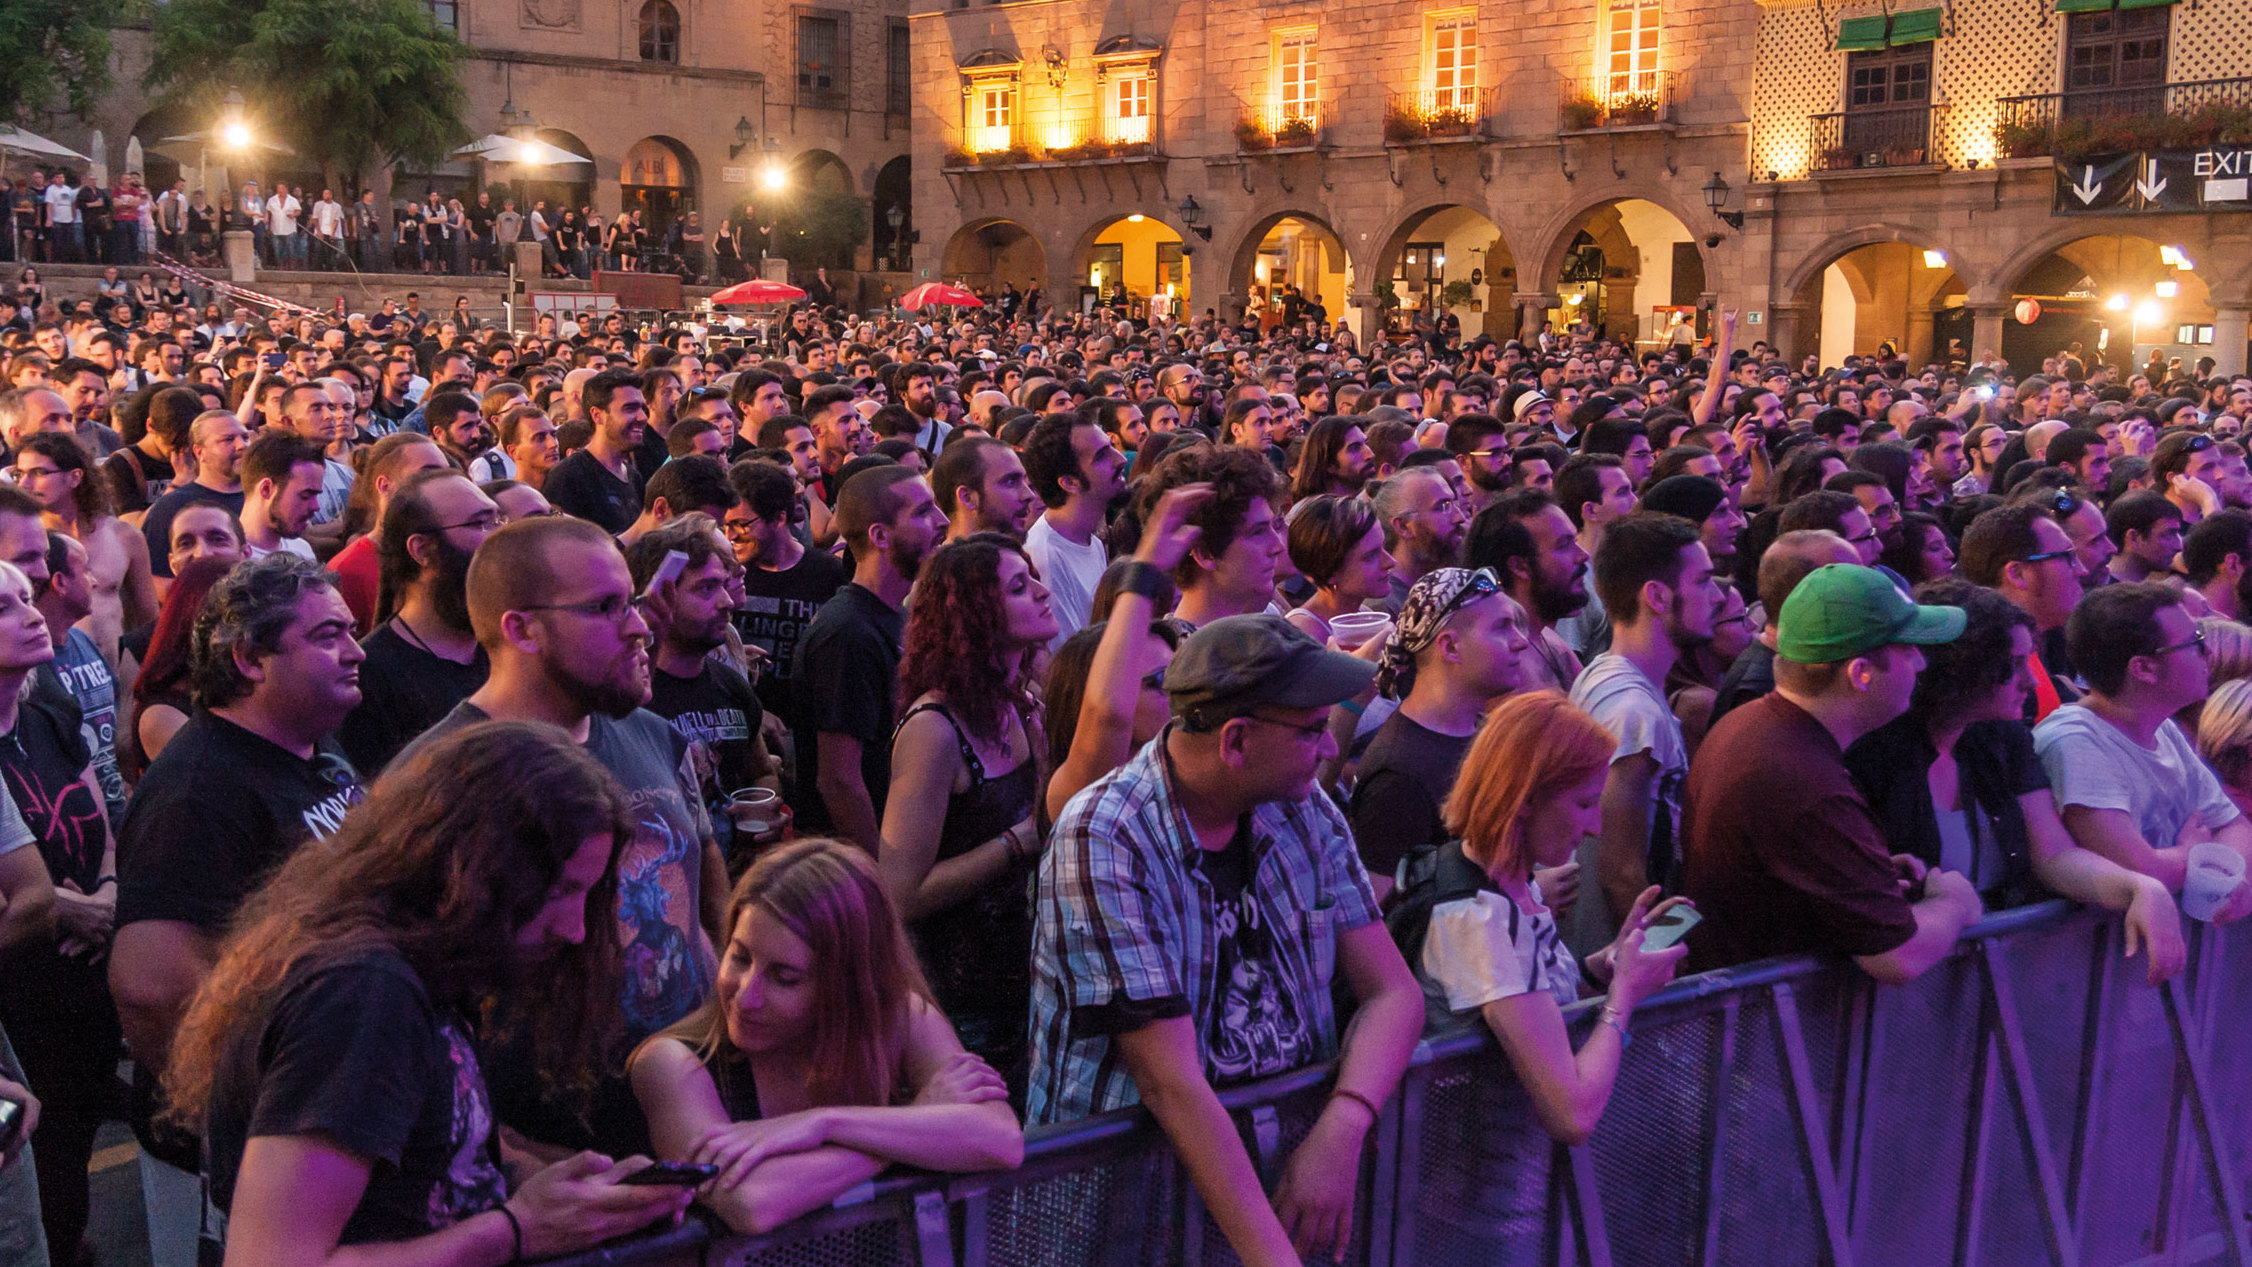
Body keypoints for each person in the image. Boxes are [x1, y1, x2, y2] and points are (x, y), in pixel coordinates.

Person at [162, 722, 701, 1261]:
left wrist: (559, 1193)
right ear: (472, 866)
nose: (576, 929)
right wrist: (517, 1231)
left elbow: (428, 1168)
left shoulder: (420, 968)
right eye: (560, 890)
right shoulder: (361, 996)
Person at [1029, 614, 1424, 1266]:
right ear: (1235, 741)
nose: (1330, 749)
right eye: (1311, 731)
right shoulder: (1105, 833)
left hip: (1274, 1178)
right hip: (1129, 1209)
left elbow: (1393, 993)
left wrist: (1344, 1124)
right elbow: (1170, 1082)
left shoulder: (1303, 805)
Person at [404, 514, 726, 1154]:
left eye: (631, 601)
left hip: (693, 1095)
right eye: (607, 607)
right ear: (522, 629)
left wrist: (727, 1027)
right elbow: (407, 996)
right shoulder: (439, 780)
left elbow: (694, 896)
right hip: (557, 1142)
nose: (639, 624)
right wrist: (510, 1157)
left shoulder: (649, 731)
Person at [628, 840, 1024, 1235]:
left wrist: (824, 1123)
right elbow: (753, 1202)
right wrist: (908, 1123)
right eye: (741, 957)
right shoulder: (669, 1063)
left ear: (847, 986)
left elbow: (1001, 1140)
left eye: (785, 977)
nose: (747, 997)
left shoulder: (901, 1017)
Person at [1383, 691, 1687, 1146]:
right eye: (1584, 804)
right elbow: (1571, 1112)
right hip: (1473, 1195)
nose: (1594, 828)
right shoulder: (1476, 919)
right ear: (1523, 798)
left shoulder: (1506, 882)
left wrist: (1607, 964)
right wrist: (1624, 995)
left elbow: (1536, 1003)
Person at [1844, 580, 2186, 982]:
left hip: (1990, 976)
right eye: (2015, 664)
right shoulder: (1872, 755)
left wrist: (2138, 888)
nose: (2033, 682)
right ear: (1965, 670)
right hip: (1904, 987)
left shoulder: (2003, 738)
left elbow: (2054, 855)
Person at [1681, 565, 1984, 979]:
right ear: (1860, 673)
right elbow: (1898, 956)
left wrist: (1864, 878)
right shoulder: (1800, 778)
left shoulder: (1753, 725)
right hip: (1765, 1030)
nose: (1920, 663)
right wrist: (1953, 903)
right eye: (1907, 648)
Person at [877, 534, 1054, 1088]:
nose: (1044, 594)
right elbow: (901, 893)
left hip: (1025, 978)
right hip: (959, 1003)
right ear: (974, 614)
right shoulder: (935, 730)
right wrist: (1017, 842)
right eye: (1020, 587)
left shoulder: (1020, 704)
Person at [0, 557, 117, 1262]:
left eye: (25, 597)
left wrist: (106, 891)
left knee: (71, 1145)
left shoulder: (48, 707)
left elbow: (94, 812)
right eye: (6, 608)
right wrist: (69, 911)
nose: (32, 611)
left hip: (82, 972)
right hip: (17, 988)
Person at [2034, 583, 2252, 923]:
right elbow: (2140, 869)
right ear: (2144, 668)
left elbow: (2234, 824)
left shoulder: (2161, 727)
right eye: (2194, 643)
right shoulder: (2075, 741)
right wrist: (2196, 855)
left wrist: (2230, 878)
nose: (2208, 653)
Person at [1568, 512, 1720, 945]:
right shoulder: (1633, 713)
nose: (1717, 597)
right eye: (1703, 582)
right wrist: (1667, 959)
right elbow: (1622, 872)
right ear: (1655, 595)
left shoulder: (1605, 676)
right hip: (1621, 960)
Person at [1350, 568, 1534, 900]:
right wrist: (1522, 896)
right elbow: (1387, 919)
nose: (1521, 642)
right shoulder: (1397, 776)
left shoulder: (1481, 732)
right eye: (1502, 627)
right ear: (1450, 647)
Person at [791, 467, 947, 850]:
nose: (943, 521)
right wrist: (884, 879)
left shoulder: (895, 614)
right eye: (924, 511)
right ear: (879, 535)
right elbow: (839, 780)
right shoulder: (847, 634)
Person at [625, 517, 773, 869]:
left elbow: (761, 771)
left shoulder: (729, 683)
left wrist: (765, 809)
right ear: (657, 600)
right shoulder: (630, 699)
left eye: (724, 586)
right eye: (706, 589)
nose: (727, 602)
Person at [336, 470, 499, 774]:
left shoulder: (510, 647)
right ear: (422, 549)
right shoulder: (370, 678)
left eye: (497, 521)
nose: (500, 537)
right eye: (480, 524)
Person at [724, 460, 844, 729]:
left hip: (808, 726)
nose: (729, 536)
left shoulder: (830, 574)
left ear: (779, 518)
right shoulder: (723, 576)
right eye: (725, 525)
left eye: (741, 524)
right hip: (744, 724)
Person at [1020, 410, 1128, 646]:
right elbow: (1069, 659)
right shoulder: (1046, 558)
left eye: (1111, 447)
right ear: (1069, 482)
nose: (1121, 459)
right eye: (1101, 456)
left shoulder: (1093, 541)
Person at [141, 409, 249, 580]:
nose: (242, 445)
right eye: (228, 440)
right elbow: (150, 580)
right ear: (200, 452)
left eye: (245, 437)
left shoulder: (260, 500)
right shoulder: (172, 506)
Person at [544, 369, 649, 533]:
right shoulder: (568, 476)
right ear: (597, 415)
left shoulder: (633, 477)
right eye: (630, 408)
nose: (643, 417)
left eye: (642, 408)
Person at [1283, 495, 1394, 644]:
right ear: (1327, 570)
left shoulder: (1364, 615)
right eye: (1370, 556)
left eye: (1383, 546)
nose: (1391, 562)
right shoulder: (1302, 634)